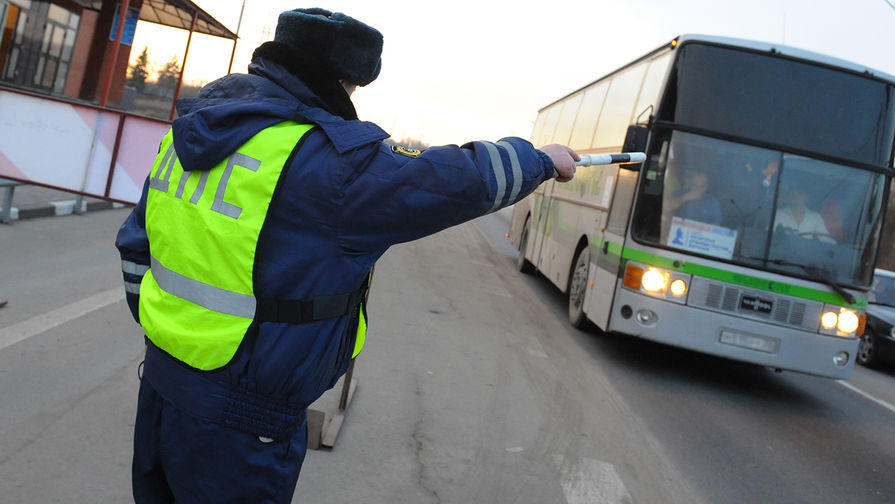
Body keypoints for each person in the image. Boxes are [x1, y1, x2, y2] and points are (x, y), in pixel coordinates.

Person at [115, 8, 578, 503]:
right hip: (242, 423)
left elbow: (135, 246)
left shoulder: (190, 131)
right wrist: (539, 159)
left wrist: (171, 336)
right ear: (339, 79)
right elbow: (449, 181)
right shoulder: (324, 162)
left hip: (161, 388)